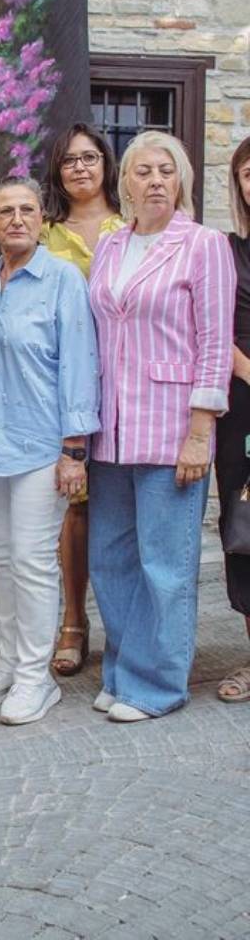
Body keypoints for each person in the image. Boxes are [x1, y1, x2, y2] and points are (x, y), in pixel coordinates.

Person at [88, 131, 235, 722]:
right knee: (111, 558)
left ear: (182, 183)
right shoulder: (109, 247)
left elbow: (215, 342)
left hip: (173, 427)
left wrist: (201, 431)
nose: (154, 181)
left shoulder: (202, 245)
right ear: (124, 181)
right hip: (112, 429)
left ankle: (157, 685)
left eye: (166, 172)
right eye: (142, 170)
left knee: (165, 565)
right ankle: (123, 669)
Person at [0, 178, 100, 725]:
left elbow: (80, 364)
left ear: (42, 218)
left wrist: (75, 450)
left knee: (32, 561)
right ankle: (8, 665)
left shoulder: (63, 280)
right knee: (1, 560)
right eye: (5, 211)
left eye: (26, 210)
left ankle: (34, 677)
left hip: (43, 446)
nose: (16, 219)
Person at [41, 123, 124, 678]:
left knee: (120, 507)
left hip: (128, 385)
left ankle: (125, 626)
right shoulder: (45, 233)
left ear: (105, 164)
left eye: (89, 157)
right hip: (63, 387)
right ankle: (73, 622)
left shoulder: (134, 226)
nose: (80, 168)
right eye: (69, 160)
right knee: (73, 509)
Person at [213, 136, 250, 702]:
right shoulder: (224, 249)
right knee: (246, 533)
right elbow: (213, 325)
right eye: (248, 171)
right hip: (241, 401)